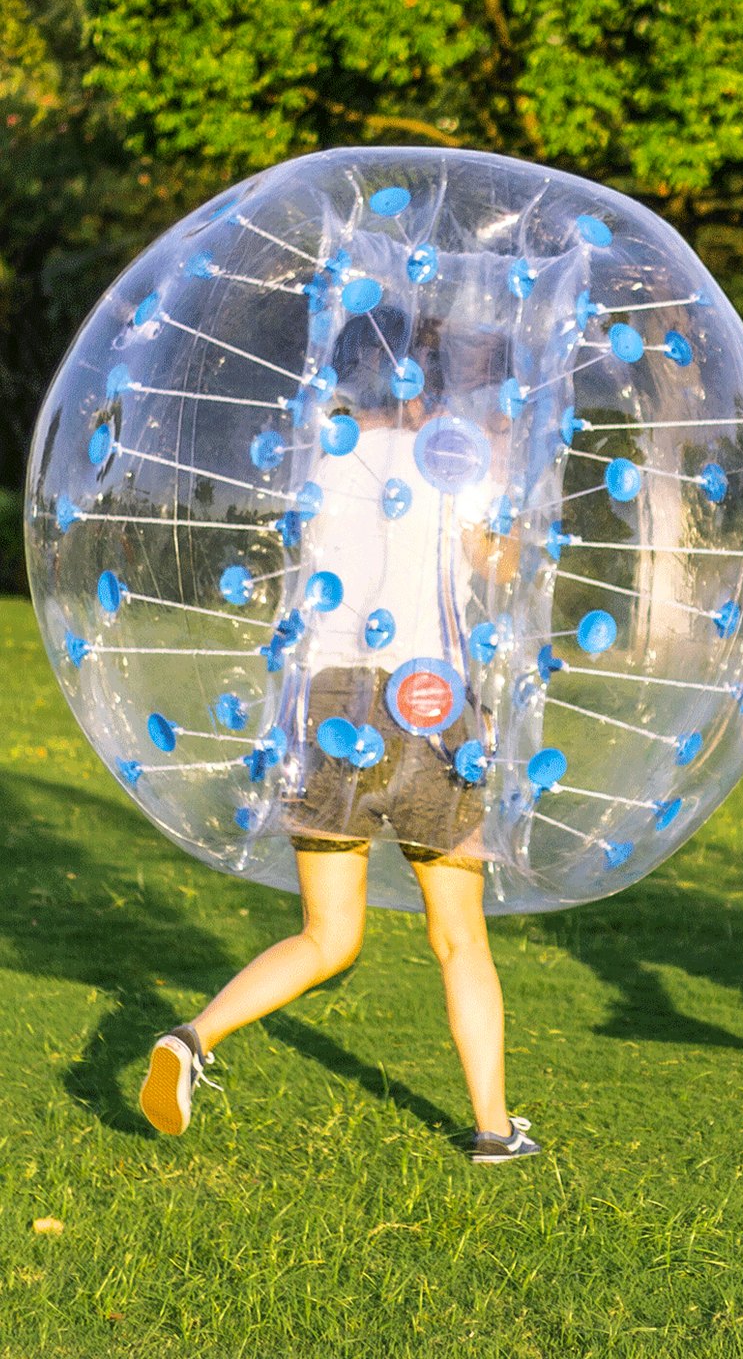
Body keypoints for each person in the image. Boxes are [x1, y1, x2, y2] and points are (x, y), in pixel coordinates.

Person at [139, 304, 540, 1163]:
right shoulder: (453, 458)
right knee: (458, 935)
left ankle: (192, 1040)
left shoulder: (320, 457)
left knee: (328, 936)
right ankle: (495, 1131)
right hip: (430, 707)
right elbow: (498, 568)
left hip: (328, 703)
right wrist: (498, 471)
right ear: (429, 387)